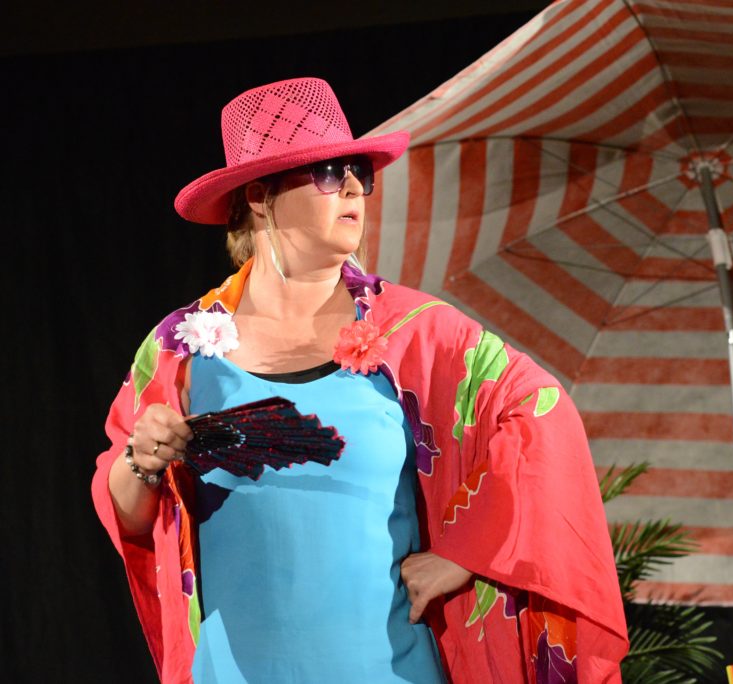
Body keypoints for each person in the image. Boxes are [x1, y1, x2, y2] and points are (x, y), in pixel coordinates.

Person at [91, 77, 627, 683]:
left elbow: (542, 413)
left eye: (358, 172)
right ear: (261, 196)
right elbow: (128, 518)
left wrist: (466, 552)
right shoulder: (178, 350)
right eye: (326, 172)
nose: (351, 186)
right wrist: (141, 461)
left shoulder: (418, 332)